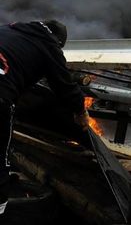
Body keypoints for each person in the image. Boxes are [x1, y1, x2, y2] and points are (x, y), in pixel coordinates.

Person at [0, 20, 89, 214]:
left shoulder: (8, 30)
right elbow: (65, 87)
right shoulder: (48, 45)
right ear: (57, 42)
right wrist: (80, 112)